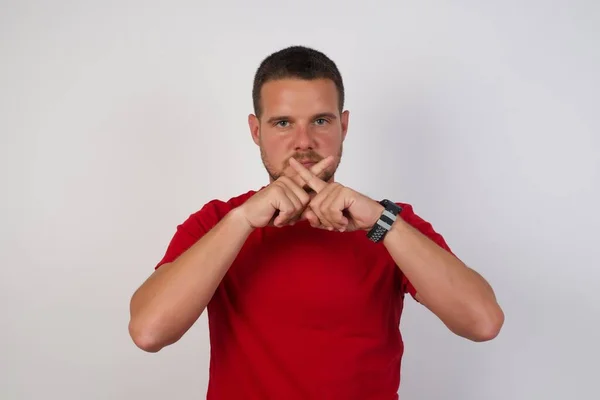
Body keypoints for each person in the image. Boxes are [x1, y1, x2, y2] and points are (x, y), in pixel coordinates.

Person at [128, 45, 504, 399]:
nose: (303, 141)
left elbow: (482, 323)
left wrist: (382, 221)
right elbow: (149, 332)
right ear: (256, 131)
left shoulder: (388, 223)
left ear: (343, 126)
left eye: (320, 121)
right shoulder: (217, 222)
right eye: (282, 123)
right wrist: (242, 221)